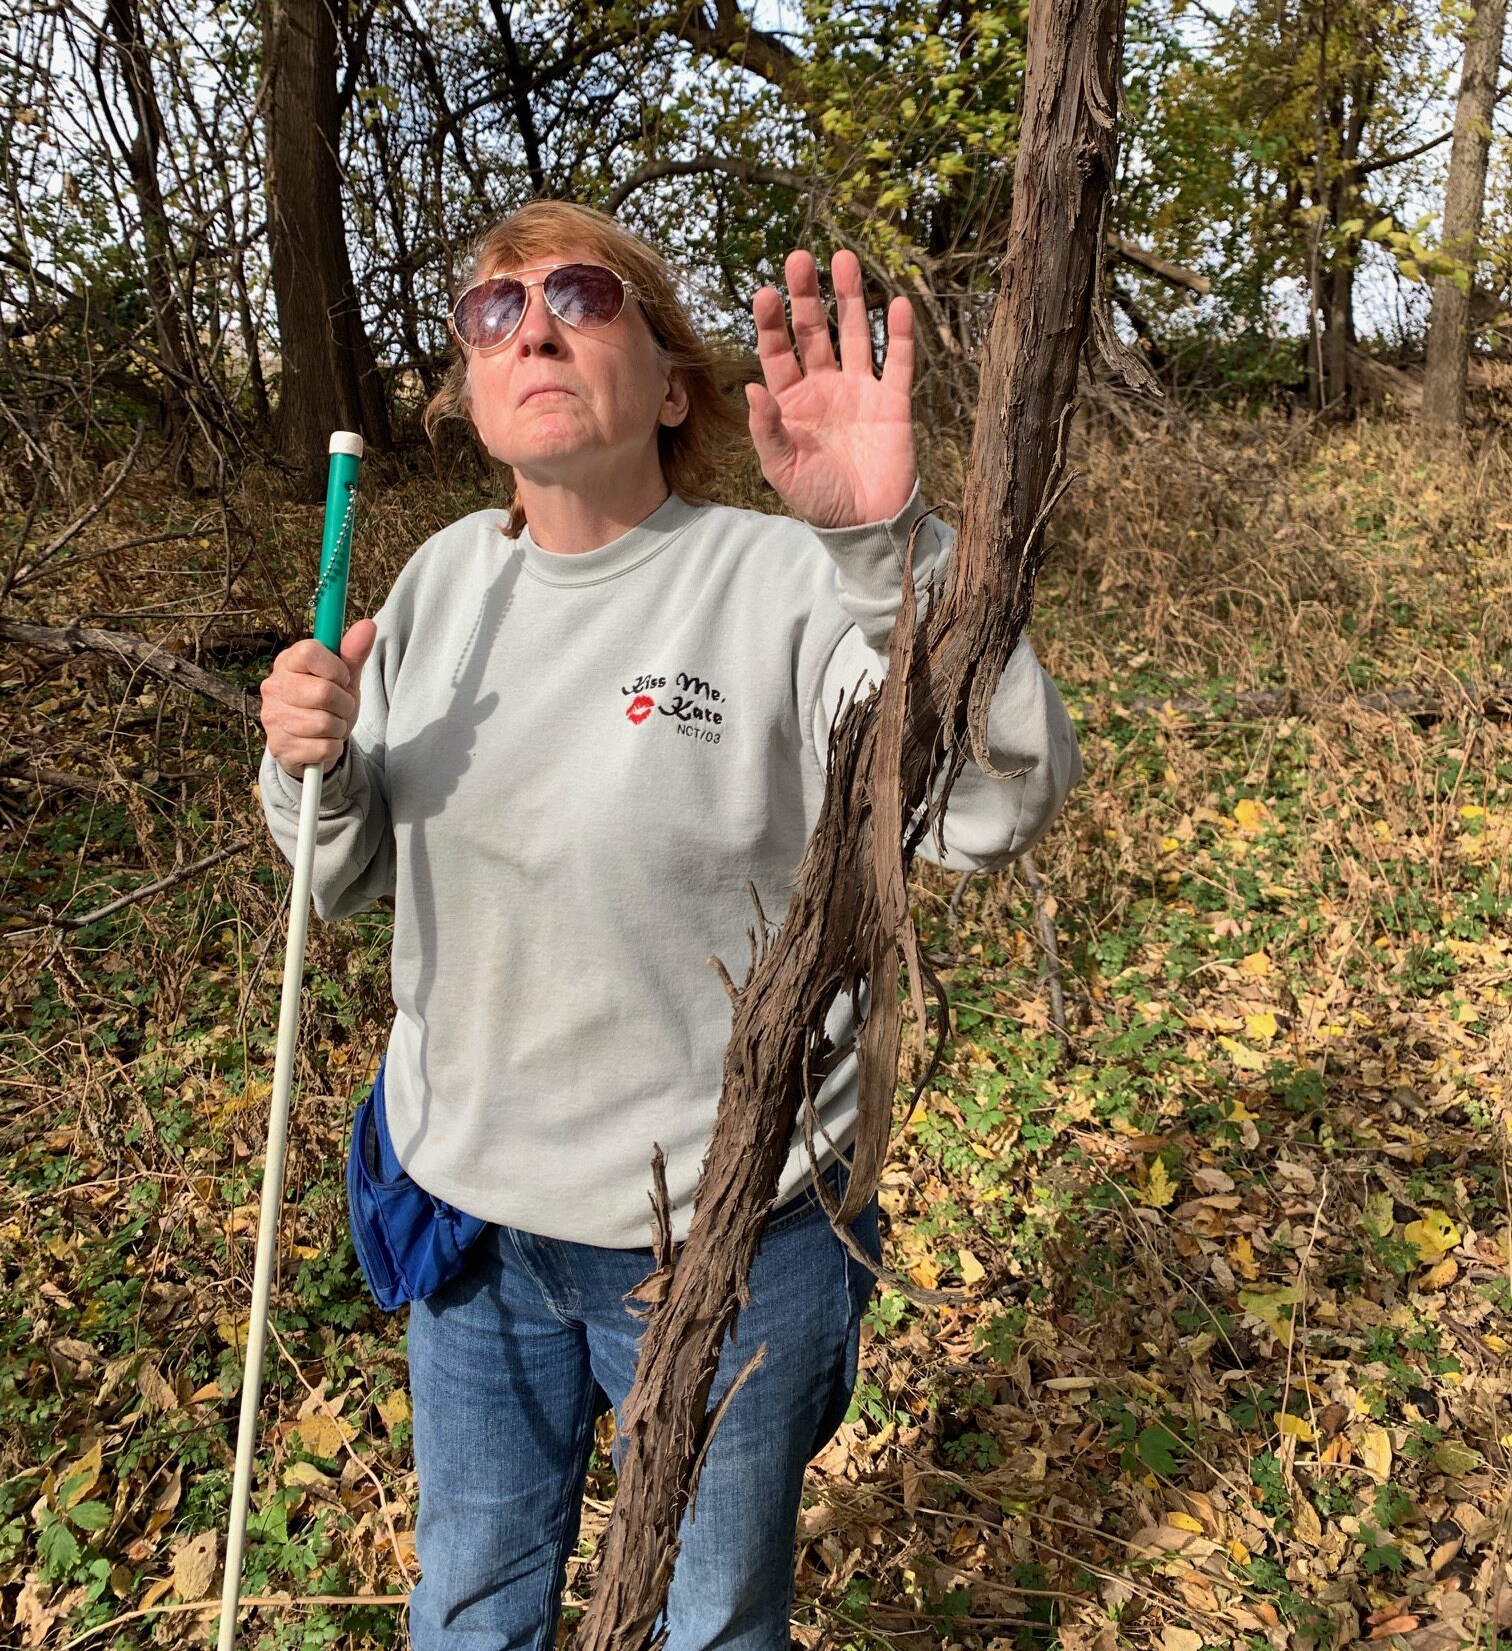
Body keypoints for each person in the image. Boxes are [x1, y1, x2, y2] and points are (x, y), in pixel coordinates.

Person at [257, 198, 1081, 1651]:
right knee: (467, 1607)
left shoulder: (782, 584)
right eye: (494, 310)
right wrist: (303, 754)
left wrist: (898, 552)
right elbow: (345, 875)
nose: (535, 328)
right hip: (473, 1229)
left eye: (580, 293)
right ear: (469, 389)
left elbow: (983, 810)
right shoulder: (440, 582)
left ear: (675, 380)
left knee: (709, 1622)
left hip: (729, 1237)